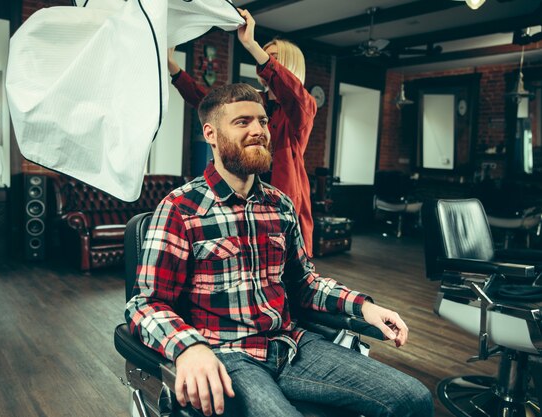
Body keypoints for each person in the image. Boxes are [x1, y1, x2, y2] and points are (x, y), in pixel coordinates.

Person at [124, 83, 434, 417]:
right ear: (211, 134)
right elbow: (145, 304)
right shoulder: (180, 208)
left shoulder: (280, 204)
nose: (258, 130)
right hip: (228, 355)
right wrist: (188, 348)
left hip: (291, 345)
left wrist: (364, 308)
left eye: (261, 121)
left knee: (413, 398)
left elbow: (305, 282)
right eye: (242, 122)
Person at [168, 8, 317, 257]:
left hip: (282, 205)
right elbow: (209, 102)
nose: (265, 63)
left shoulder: (301, 108)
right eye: (265, 57)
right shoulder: (256, 101)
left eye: (273, 59)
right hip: (247, 198)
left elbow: (296, 95)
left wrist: (251, 44)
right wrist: (174, 69)